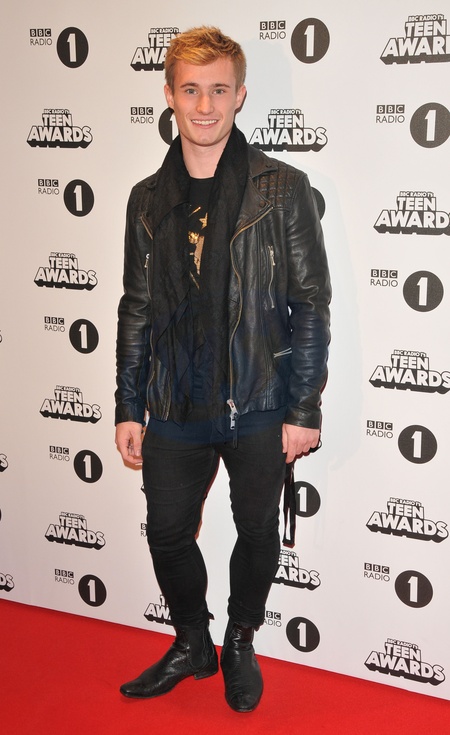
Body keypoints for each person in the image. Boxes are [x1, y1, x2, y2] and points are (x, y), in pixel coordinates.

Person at [115, 26, 331, 713]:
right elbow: (137, 306)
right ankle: (192, 642)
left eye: (218, 90)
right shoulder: (146, 198)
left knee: (257, 531)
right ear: (169, 95)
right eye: (190, 90)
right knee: (166, 531)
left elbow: (309, 301)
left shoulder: (282, 188)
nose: (204, 105)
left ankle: (240, 638)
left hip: (258, 398)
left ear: (239, 95)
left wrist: (303, 407)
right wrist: (128, 403)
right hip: (174, 399)